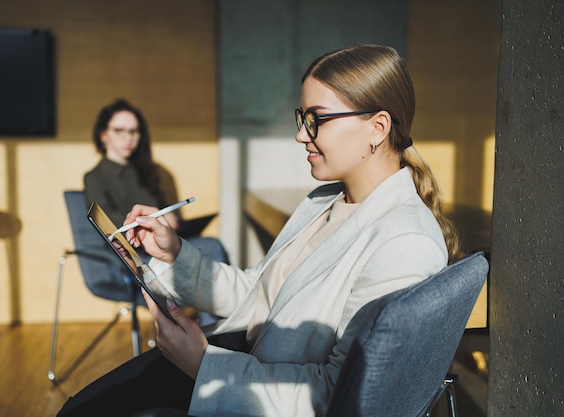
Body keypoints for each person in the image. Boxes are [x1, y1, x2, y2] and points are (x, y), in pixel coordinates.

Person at [58, 44, 464, 417]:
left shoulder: (403, 243)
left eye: (316, 119)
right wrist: (175, 252)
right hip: (238, 366)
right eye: (302, 118)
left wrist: (202, 363)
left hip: (249, 389)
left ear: (377, 128)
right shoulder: (322, 201)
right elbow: (258, 293)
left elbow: (335, 396)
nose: (300, 134)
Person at [83, 98, 230, 268]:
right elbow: (107, 223)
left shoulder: (149, 171)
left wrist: (171, 219)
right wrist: (152, 220)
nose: (128, 138)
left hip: (163, 242)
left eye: (134, 131)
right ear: (103, 135)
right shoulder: (94, 177)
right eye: (119, 131)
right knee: (211, 247)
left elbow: (167, 210)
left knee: (211, 245)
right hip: (130, 252)